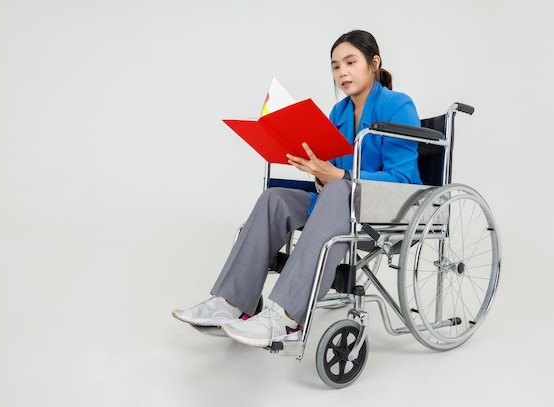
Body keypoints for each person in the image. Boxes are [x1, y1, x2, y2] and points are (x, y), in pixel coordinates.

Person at [172, 30, 422, 348]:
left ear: (374, 63)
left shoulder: (397, 104)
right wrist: (316, 169)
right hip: (341, 199)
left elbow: (402, 177)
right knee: (275, 198)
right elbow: (330, 178)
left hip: (388, 202)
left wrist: (340, 176)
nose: (342, 72)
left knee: (336, 191)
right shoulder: (339, 113)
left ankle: (285, 315)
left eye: (350, 62)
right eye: (335, 66)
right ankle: (230, 303)